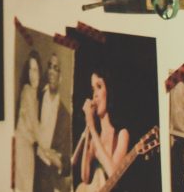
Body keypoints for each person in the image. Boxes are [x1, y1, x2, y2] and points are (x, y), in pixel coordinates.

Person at [76, 67, 130, 189]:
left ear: (109, 91)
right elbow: (84, 177)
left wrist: (92, 128)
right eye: (92, 89)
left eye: (99, 87)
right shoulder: (94, 138)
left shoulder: (122, 134)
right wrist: (89, 128)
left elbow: (113, 174)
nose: (95, 95)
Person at [34, 53, 71, 192]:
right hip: (32, 166)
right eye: (49, 66)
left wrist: (59, 163)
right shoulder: (36, 98)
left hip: (49, 176)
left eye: (55, 68)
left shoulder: (65, 116)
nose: (51, 71)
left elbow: (67, 164)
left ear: (61, 77)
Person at [14, 50, 42, 192]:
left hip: (25, 146)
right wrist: (48, 150)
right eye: (30, 70)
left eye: (35, 70)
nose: (32, 74)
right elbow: (35, 126)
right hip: (23, 146)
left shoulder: (34, 94)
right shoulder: (28, 90)